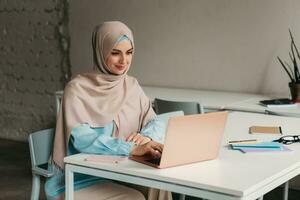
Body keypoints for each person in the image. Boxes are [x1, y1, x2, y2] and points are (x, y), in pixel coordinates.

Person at [45, 21, 172, 200]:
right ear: (101, 51)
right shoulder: (77, 89)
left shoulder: (131, 85)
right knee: (134, 198)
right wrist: (133, 148)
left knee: (160, 185)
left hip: (121, 171)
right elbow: (83, 140)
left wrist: (147, 138)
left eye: (129, 53)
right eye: (115, 53)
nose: (124, 61)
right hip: (80, 178)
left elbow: (154, 120)